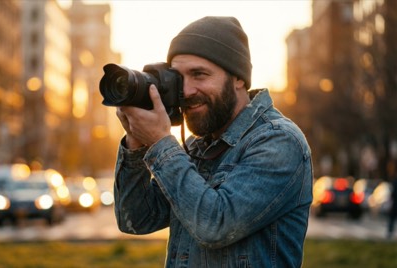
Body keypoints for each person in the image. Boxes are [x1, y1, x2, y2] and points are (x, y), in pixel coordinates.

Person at [112, 16, 313, 267]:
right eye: (178, 78)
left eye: (199, 74)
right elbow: (136, 219)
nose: (186, 90)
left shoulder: (279, 141)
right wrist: (136, 141)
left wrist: (160, 141)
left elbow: (216, 225)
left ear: (238, 78)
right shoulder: (198, 148)